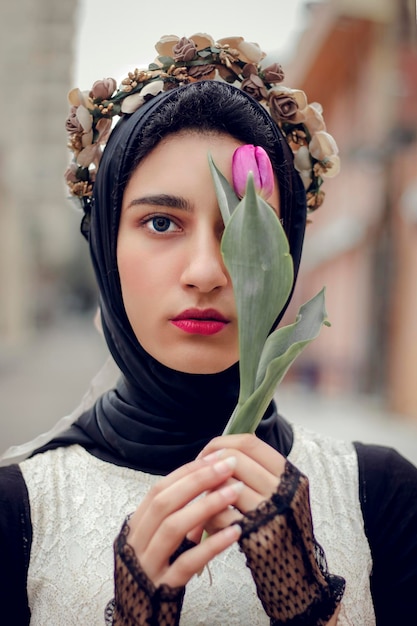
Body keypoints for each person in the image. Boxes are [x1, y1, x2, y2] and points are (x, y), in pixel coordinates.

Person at [0, 33, 416, 626]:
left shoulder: (383, 495)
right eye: (162, 221)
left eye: (244, 227)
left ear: (289, 244)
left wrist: (310, 604)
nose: (205, 272)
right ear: (105, 250)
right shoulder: (19, 510)